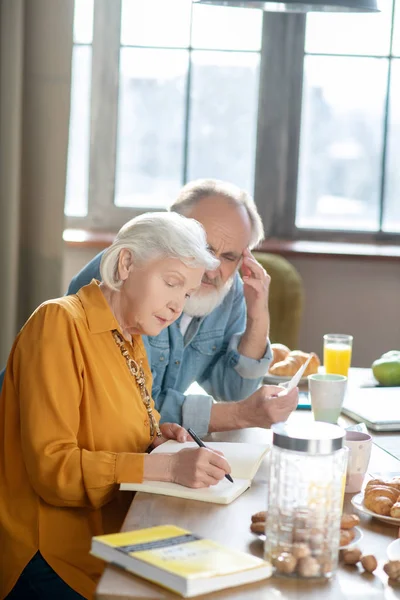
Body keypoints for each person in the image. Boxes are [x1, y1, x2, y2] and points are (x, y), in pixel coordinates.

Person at [0, 212, 234, 600]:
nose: (178, 305)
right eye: (172, 283)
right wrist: (167, 466)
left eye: (187, 294)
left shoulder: (130, 336)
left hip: (112, 536)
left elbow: (112, 431)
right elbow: (53, 470)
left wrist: (157, 438)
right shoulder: (58, 322)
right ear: (126, 264)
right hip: (53, 554)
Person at [67, 179, 298, 436]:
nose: (211, 268)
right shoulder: (123, 274)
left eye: (229, 257)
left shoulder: (228, 290)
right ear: (170, 229)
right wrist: (239, 415)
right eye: (204, 248)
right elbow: (126, 406)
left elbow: (233, 391)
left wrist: (258, 316)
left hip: (144, 447)